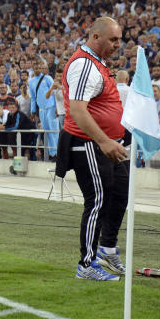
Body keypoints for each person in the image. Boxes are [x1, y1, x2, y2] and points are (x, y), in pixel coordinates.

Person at [57, 17, 129, 281]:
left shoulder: (99, 64)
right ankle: (86, 264)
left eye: (119, 39)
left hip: (107, 144)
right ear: (95, 37)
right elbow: (76, 109)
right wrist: (103, 140)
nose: (117, 45)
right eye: (113, 39)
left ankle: (107, 248)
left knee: (120, 191)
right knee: (97, 200)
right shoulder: (84, 64)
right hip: (87, 144)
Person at [29, 62, 58, 160]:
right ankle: (52, 153)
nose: (37, 69)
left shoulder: (47, 78)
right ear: (33, 68)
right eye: (35, 67)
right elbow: (33, 97)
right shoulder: (31, 81)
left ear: (41, 68)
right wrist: (33, 110)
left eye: (39, 67)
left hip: (51, 107)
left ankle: (58, 152)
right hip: (41, 109)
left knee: (54, 130)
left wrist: (57, 108)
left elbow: (54, 93)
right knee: (47, 131)